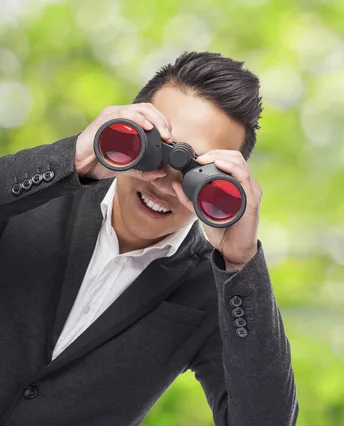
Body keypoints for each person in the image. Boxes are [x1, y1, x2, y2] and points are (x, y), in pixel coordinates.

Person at [0, 51, 298, 426]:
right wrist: (71, 158)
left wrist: (242, 261)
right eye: (155, 150)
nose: (166, 185)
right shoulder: (33, 197)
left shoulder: (211, 289)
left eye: (197, 172)